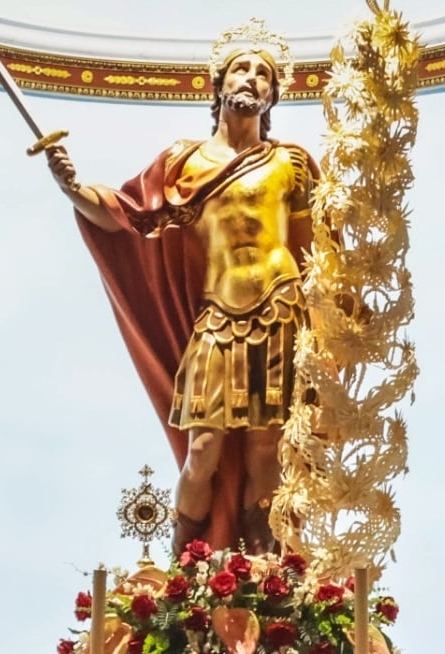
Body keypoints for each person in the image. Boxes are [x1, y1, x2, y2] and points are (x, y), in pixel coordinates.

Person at [44, 21, 320, 556]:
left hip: (282, 308)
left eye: (263, 73)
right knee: (204, 447)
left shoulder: (292, 163)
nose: (252, 78)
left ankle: (266, 568)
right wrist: (72, 187)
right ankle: (188, 563)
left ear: (273, 95)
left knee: (268, 449)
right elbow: (125, 215)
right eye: (242, 67)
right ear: (217, 85)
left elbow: (313, 252)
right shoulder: (183, 162)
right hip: (218, 315)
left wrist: (333, 330)